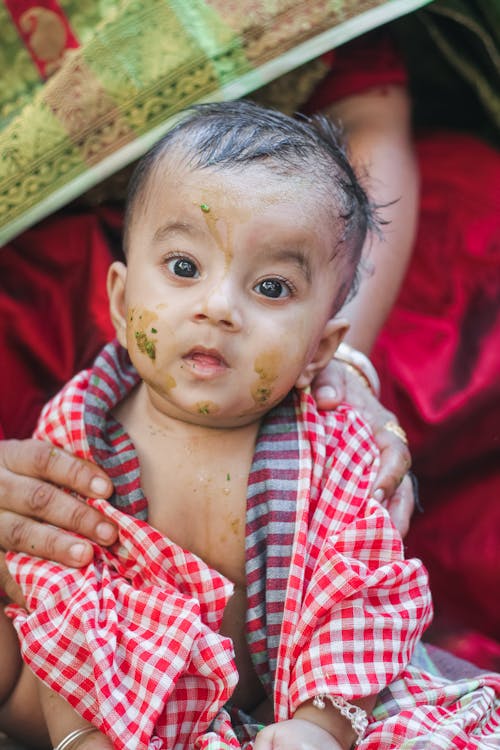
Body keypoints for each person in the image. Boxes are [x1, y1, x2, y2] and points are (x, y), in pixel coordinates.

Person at [1, 99, 498, 750]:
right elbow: (64, 599)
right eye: (184, 269)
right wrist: (83, 736)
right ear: (121, 303)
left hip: (287, 701)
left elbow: (362, 596)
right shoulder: (81, 433)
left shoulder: (331, 443)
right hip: (108, 704)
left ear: (320, 349)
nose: (218, 307)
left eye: (270, 288)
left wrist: (319, 726)